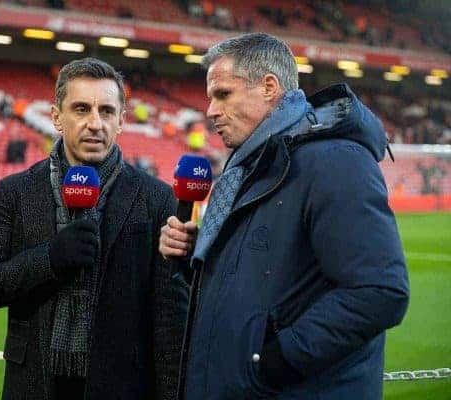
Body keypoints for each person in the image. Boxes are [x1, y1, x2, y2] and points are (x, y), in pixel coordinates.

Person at [159, 33, 409, 400]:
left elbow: (379, 291)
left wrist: (276, 360)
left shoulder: (335, 160)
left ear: (269, 87)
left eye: (223, 94)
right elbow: (267, 272)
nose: (210, 110)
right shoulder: (251, 165)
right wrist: (197, 256)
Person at [0, 57, 187, 400]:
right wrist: (49, 259)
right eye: (81, 109)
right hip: (34, 385)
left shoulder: (156, 199)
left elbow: (170, 318)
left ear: (122, 121)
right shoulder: (15, 192)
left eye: (107, 112)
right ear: (56, 118)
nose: (95, 123)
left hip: (123, 388)